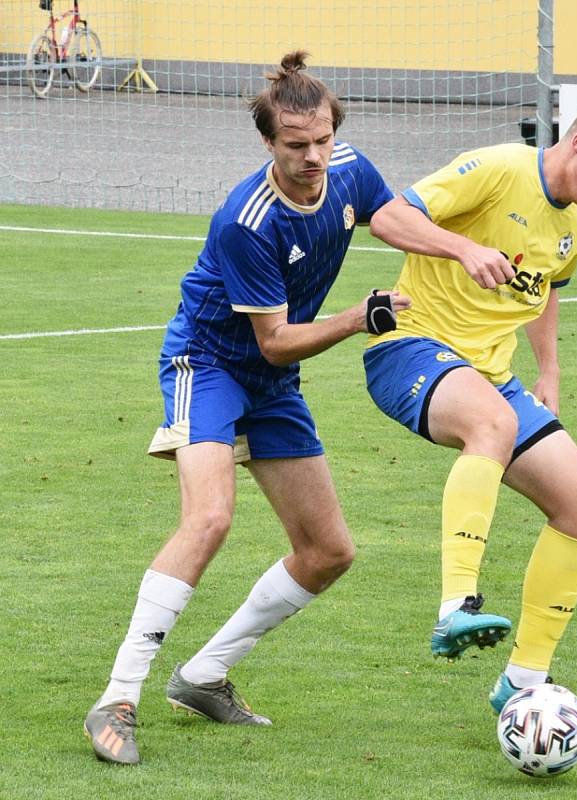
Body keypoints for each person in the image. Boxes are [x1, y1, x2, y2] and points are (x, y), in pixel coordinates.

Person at [83, 50, 409, 766]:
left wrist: (464, 252)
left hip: (271, 382)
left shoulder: (346, 166)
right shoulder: (245, 219)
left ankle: (202, 676)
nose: (315, 156)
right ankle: (118, 695)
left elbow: (394, 216)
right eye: (296, 146)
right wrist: (358, 317)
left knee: (328, 552)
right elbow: (274, 343)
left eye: (323, 140)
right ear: (268, 142)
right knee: (209, 517)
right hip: (211, 364)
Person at [363, 94, 577, 749]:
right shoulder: (497, 167)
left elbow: (545, 289)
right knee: (491, 426)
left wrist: (548, 370)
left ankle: (523, 680)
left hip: (492, 377)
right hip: (407, 348)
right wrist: (460, 250)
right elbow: (387, 216)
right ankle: (455, 608)